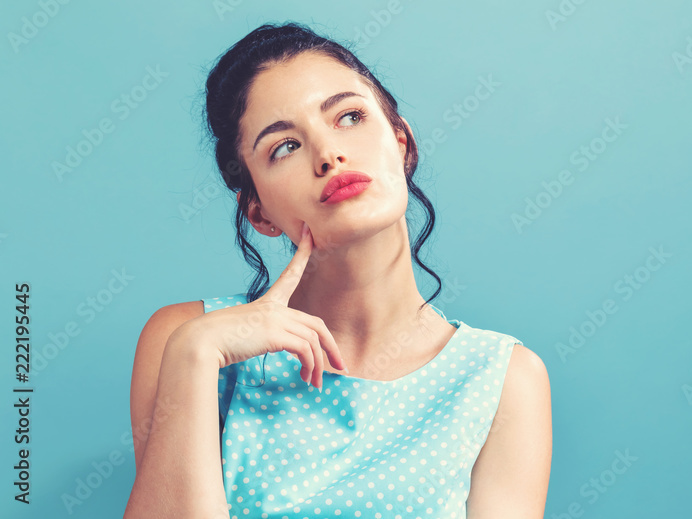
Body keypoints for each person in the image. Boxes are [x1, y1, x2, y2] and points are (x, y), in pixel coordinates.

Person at [124, 22, 551, 518]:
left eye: (349, 116)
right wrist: (195, 354)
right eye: (284, 147)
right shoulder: (186, 339)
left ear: (402, 143)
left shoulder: (502, 378)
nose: (329, 155)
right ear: (258, 211)